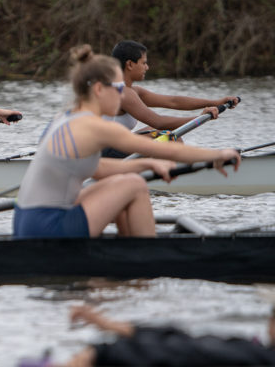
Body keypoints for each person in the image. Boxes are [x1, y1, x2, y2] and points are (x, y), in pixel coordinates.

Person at [12, 44, 241, 239]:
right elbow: (164, 148)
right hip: (48, 228)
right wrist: (217, 155)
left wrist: (145, 164)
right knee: (134, 185)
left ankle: (127, 260)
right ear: (100, 89)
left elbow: (97, 168)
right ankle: (145, 264)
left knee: (122, 183)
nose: (123, 95)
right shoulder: (95, 126)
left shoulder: (65, 117)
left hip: (26, 222)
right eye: (119, 89)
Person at [31, 304, 275, 367]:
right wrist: (117, 328)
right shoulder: (255, 349)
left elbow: (187, 353)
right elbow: (187, 340)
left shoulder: (260, 356)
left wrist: (104, 353)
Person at [102, 40, 240, 157]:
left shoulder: (133, 91)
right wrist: (200, 118)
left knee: (161, 133)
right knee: (170, 137)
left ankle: (166, 171)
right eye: (143, 63)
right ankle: (174, 173)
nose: (147, 67)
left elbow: (173, 101)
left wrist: (216, 102)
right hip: (101, 152)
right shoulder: (123, 92)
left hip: (114, 145)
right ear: (130, 64)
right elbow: (159, 122)